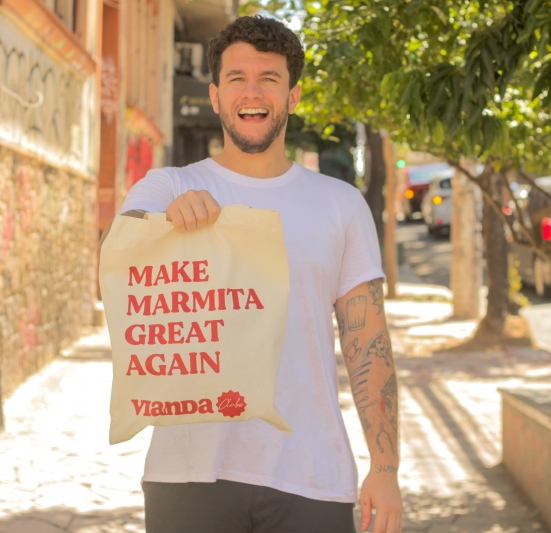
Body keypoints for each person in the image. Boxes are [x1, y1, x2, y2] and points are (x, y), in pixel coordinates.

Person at [102, 15, 402, 533]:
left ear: (293, 96)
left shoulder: (341, 204)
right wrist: (161, 223)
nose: (253, 92)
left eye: (270, 78)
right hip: (187, 475)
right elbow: (114, 260)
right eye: (237, 78)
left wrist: (386, 467)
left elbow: (367, 341)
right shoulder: (166, 187)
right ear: (215, 95)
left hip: (312, 474)